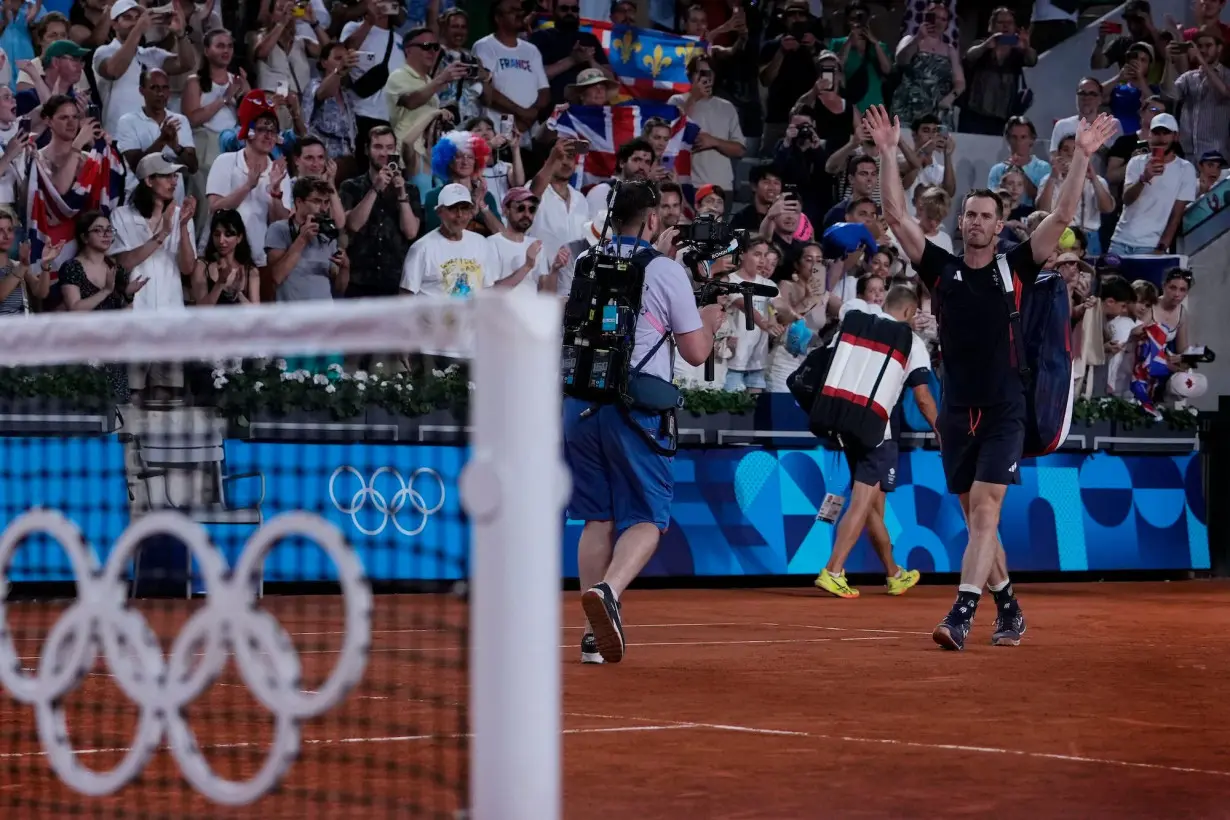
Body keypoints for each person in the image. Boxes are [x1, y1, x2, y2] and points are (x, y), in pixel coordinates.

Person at [865, 103, 1119, 651]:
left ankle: (961, 612)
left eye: (986, 216)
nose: (977, 222)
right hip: (957, 411)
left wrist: (1084, 158)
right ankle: (1009, 607)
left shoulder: (1016, 266)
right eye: (970, 215)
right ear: (961, 223)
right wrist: (888, 152)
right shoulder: (943, 269)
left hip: (1005, 408)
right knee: (976, 517)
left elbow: (1065, 214)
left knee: (985, 509)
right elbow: (894, 213)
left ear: (999, 226)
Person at [564, 179, 725, 665]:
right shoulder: (664, 271)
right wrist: (712, 314)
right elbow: (697, 353)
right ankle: (609, 593)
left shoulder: (585, 261)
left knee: (598, 517)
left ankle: (594, 635)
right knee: (650, 518)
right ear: (653, 219)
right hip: (634, 406)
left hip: (579, 401)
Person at [814, 285, 935, 599]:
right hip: (877, 433)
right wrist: (943, 432)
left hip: (842, 420)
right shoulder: (913, 342)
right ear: (909, 312)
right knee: (863, 502)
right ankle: (834, 570)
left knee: (872, 507)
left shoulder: (858, 311)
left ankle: (894, 573)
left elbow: (836, 304)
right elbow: (923, 399)